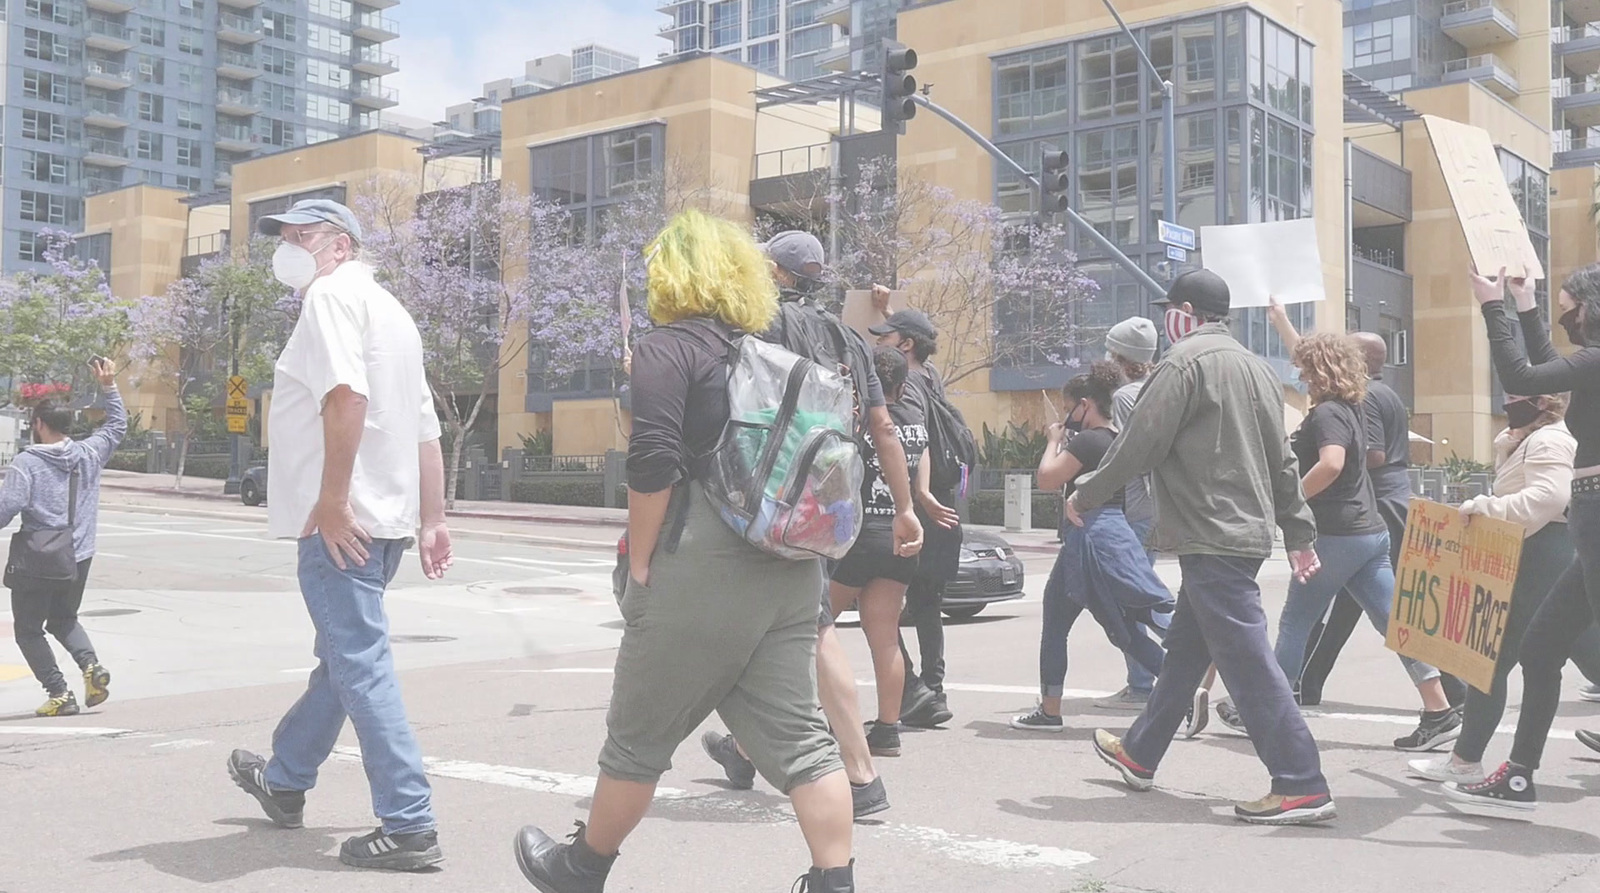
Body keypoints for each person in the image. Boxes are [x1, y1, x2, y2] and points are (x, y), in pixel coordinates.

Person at [514, 211, 859, 893]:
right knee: (803, 740)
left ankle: (581, 867)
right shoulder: (766, 352)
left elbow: (653, 462)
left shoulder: (667, 347)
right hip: (790, 569)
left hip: (702, 567)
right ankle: (833, 881)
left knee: (639, 735)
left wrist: (641, 561)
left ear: (672, 275)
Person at [227, 199, 455, 871]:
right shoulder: (394, 314)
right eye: (286, 236)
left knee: (359, 663)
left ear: (343, 247)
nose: (291, 247)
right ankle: (286, 777)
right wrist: (433, 516)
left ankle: (409, 823)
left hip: (340, 521)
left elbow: (346, 397)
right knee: (343, 658)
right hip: (381, 521)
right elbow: (424, 427)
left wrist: (330, 500)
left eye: (306, 236)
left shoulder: (329, 297)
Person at [1068, 269, 1335, 826]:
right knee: (1187, 650)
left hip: (1209, 531)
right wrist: (1299, 529)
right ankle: (1140, 753)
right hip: (1241, 532)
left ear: (1184, 313)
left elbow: (1141, 441)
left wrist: (1088, 490)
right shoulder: (1257, 368)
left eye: (1170, 310)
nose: (1167, 320)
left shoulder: (1182, 363)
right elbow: (1283, 460)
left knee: (1247, 662)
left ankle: (1300, 781)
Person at [700, 229, 924, 820]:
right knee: (793, 625)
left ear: (772, 271)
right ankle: (747, 749)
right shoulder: (848, 339)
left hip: (763, 499)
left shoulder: (751, 325)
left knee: (810, 631)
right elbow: (882, 428)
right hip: (827, 502)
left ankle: (860, 775)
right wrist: (903, 508)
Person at [1243, 334, 1459, 752]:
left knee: (1295, 622)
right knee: (1397, 625)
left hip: (1337, 534)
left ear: (1319, 370)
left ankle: (1273, 712)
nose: (1299, 375)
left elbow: (1331, 463)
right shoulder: (1353, 406)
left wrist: (1289, 501)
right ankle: (1440, 711)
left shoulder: (1327, 414)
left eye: (1304, 367)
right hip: (1369, 531)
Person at [1443, 263, 1600, 814]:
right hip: (1589, 516)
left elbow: (1528, 378)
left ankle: (1516, 773)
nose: (1565, 320)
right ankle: (1518, 776)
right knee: (1540, 647)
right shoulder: (1589, 364)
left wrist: (1493, 307)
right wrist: (1526, 305)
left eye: (1567, 310)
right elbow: (1553, 371)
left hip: (1597, 511)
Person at [1411, 388, 1600, 783]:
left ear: (1543, 402)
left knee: (1493, 658)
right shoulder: (1528, 439)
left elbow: (1549, 496)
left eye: (1518, 394)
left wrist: (1486, 508)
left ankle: (1466, 761)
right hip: (1539, 552)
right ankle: (1467, 760)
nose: (1507, 401)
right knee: (1577, 650)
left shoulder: (1549, 439)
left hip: (1542, 552)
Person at [1011, 363, 1173, 732]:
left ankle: (1051, 710)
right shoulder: (1119, 439)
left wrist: (1053, 441)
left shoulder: (1088, 440)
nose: (1067, 415)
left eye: (1069, 407)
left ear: (1085, 405)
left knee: (1061, 626)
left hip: (1087, 538)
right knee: (1124, 625)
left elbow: (1048, 479)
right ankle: (1180, 685)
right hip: (1113, 533)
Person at [2, 358, 125, 717]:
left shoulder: (27, 463)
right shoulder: (89, 452)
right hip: (79, 554)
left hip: (38, 559)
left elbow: (7, 506)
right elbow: (117, 426)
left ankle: (59, 693)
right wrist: (109, 386)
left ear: (39, 424)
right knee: (63, 618)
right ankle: (90, 667)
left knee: (27, 628)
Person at [827, 346, 928, 757]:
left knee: (812, 629)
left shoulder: (862, 420)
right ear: (902, 386)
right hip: (900, 537)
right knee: (885, 638)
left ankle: (812, 718)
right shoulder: (917, 423)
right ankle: (887, 728)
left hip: (858, 533)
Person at [871, 299, 964, 729]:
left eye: (888, 338)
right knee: (926, 603)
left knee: (874, 607)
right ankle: (932, 688)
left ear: (904, 345)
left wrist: (915, 498)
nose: (881, 346)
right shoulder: (933, 378)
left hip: (906, 507)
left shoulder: (903, 386)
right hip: (938, 501)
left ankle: (916, 693)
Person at [1098, 316, 1168, 713]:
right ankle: (1144, 678)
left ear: (1119, 356)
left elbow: (1128, 457)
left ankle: (1143, 681)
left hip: (1135, 509)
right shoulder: (1159, 388)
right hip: (1156, 507)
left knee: (1130, 595)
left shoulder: (1124, 398)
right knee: (1138, 589)